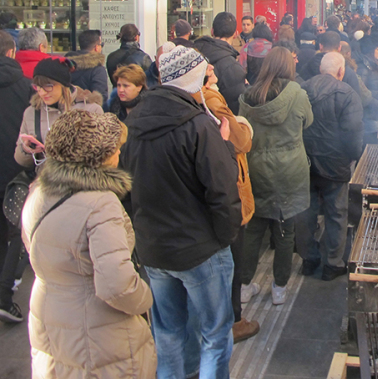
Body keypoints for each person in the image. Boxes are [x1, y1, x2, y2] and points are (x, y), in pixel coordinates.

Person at [121, 45, 242, 377]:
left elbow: (126, 187)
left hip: (154, 249)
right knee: (215, 334)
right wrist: (225, 237)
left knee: (169, 333)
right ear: (193, 80)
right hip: (200, 248)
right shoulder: (200, 126)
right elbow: (222, 190)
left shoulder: (134, 123)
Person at [21, 110, 156, 378]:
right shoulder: (100, 204)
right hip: (99, 335)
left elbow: (34, 249)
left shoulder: (39, 191)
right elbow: (116, 285)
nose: (119, 153)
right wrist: (146, 299)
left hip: (49, 321)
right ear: (97, 157)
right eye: (115, 148)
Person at [238, 47, 313, 305]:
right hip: (290, 171)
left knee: (253, 230)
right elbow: (308, 121)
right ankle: (279, 288)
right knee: (284, 231)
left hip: (256, 169)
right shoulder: (298, 94)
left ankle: (244, 286)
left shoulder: (247, 97)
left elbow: (242, 131)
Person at [198, 62, 259, 342]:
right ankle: (233, 321)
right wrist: (243, 125)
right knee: (232, 259)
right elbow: (241, 141)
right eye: (210, 71)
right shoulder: (210, 99)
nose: (215, 71)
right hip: (229, 190)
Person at [298, 53, 363, 280]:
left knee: (306, 212)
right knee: (336, 213)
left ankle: (309, 259)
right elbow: (352, 131)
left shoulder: (302, 89)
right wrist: (353, 156)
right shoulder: (347, 94)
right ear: (341, 71)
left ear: (320, 69)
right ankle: (333, 264)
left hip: (304, 161)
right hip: (335, 163)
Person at [15, 58, 103, 171]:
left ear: (63, 85)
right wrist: (26, 149)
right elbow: (20, 160)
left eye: (48, 86)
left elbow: (103, 154)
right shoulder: (31, 112)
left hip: (80, 179)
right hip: (45, 179)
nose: (42, 93)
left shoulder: (91, 110)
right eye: (38, 87)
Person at [0, 30, 31, 323]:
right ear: (11, 52)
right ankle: (4, 296)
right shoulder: (25, 87)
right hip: (13, 171)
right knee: (15, 235)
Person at [195, 12, 247, 113]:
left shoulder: (194, 54)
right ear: (235, 34)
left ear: (212, 31)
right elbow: (237, 106)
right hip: (220, 118)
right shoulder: (233, 67)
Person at [67, 29, 109, 102]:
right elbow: (100, 98)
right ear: (96, 47)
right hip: (88, 108)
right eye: (101, 44)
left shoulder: (65, 65)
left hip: (66, 107)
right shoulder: (98, 70)